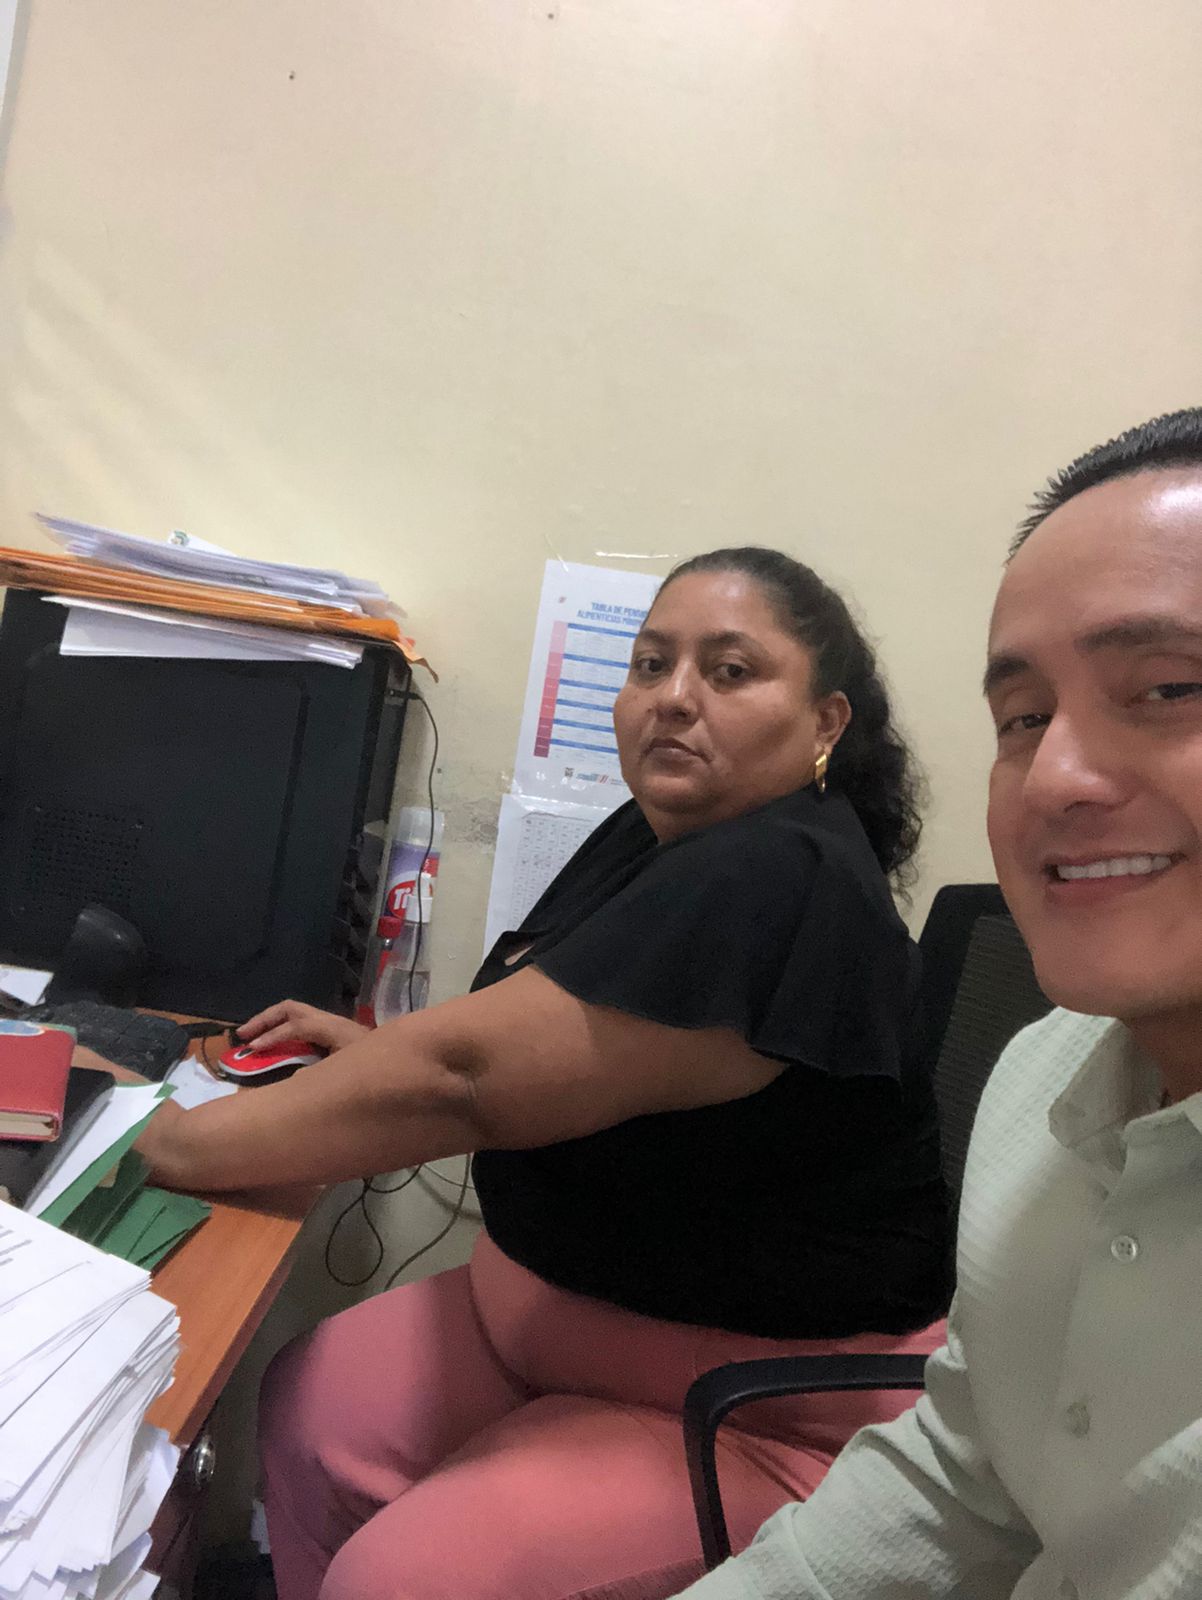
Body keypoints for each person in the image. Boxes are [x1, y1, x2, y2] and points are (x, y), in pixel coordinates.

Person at [137, 547, 952, 1600]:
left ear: (825, 722)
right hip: (557, 1326)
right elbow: (555, 1041)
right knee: (315, 1410)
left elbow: (464, 1078)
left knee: (402, 1581)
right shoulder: (662, 834)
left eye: (730, 671)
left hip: (755, 1408)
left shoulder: (784, 869)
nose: (673, 698)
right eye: (650, 664)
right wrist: (374, 1057)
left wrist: (162, 1141)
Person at [673, 407, 1202, 1600]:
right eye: (1023, 718)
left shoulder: (789, 872)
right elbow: (971, 1469)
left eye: (1167, 687)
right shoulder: (1044, 1071)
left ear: (826, 725)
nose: (1052, 778)